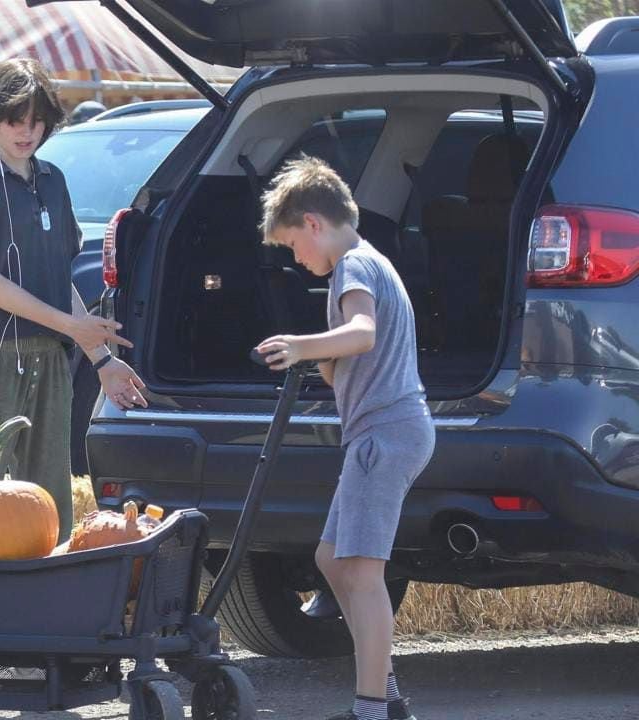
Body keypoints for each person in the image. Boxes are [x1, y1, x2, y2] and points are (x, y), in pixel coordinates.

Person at [255, 156, 433, 720]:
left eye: (291, 245)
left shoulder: (353, 267)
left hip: (385, 432)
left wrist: (304, 345)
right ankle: (384, 689)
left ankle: (373, 706)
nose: (295, 257)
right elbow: (353, 355)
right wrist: (314, 360)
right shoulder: (371, 265)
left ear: (312, 223)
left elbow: (362, 334)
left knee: (360, 571)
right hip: (384, 432)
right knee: (331, 559)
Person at [0, 58, 145, 541]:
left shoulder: (53, 179)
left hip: (50, 359)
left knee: (49, 509)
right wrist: (72, 327)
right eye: (14, 119)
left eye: (36, 120)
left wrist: (102, 359)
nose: (26, 131)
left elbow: (58, 280)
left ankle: (46, 609)